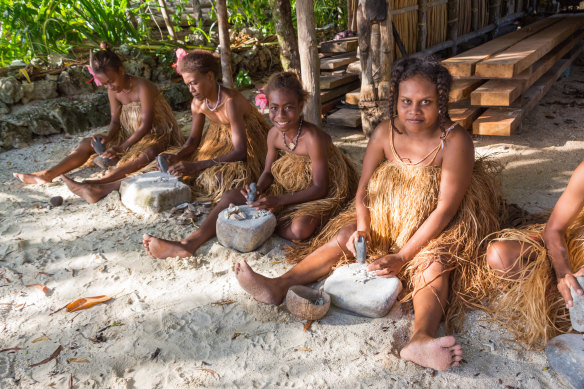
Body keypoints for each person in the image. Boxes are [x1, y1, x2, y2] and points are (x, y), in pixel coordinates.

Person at [234, 57, 501, 371]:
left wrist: (402, 256)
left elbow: (445, 210)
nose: (415, 110)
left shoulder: (454, 141)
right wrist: (363, 226)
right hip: (389, 219)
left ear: (441, 102)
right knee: (345, 235)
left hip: (434, 226)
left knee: (434, 263)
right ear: (395, 101)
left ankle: (421, 338)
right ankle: (280, 285)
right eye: (406, 101)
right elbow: (362, 192)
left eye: (426, 102)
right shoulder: (385, 133)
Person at [143, 71, 358, 259]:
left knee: (299, 231)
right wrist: (258, 188)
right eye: (274, 108)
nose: (280, 115)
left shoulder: (313, 138)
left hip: (319, 191)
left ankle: (272, 219)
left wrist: (278, 201)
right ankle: (189, 243)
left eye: (289, 108)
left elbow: (320, 187)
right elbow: (267, 172)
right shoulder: (274, 135)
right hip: (288, 189)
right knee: (230, 197)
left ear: (301, 106)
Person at [13, 42, 183, 191]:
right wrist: (108, 137)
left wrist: (122, 147)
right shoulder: (113, 91)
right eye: (105, 83)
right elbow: (116, 120)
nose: (109, 86)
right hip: (129, 134)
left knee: (147, 153)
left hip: (155, 134)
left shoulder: (142, 87)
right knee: (87, 143)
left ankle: (100, 182)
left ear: (121, 70)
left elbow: (145, 125)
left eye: (111, 81)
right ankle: (48, 174)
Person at [483, 161, 584, 347]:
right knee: (501, 255)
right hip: (575, 250)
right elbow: (554, 230)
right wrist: (563, 275)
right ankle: (565, 305)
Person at [159, 49, 270, 203]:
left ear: (210, 76)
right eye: (187, 85)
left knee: (219, 179)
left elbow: (241, 152)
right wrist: (178, 156)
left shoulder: (230, 102)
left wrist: (196, 165)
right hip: (221, 143)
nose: (191, 90)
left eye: (194, 83)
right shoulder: (197, 103)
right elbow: (192, 140)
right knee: (185, 171)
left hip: (249, 145)